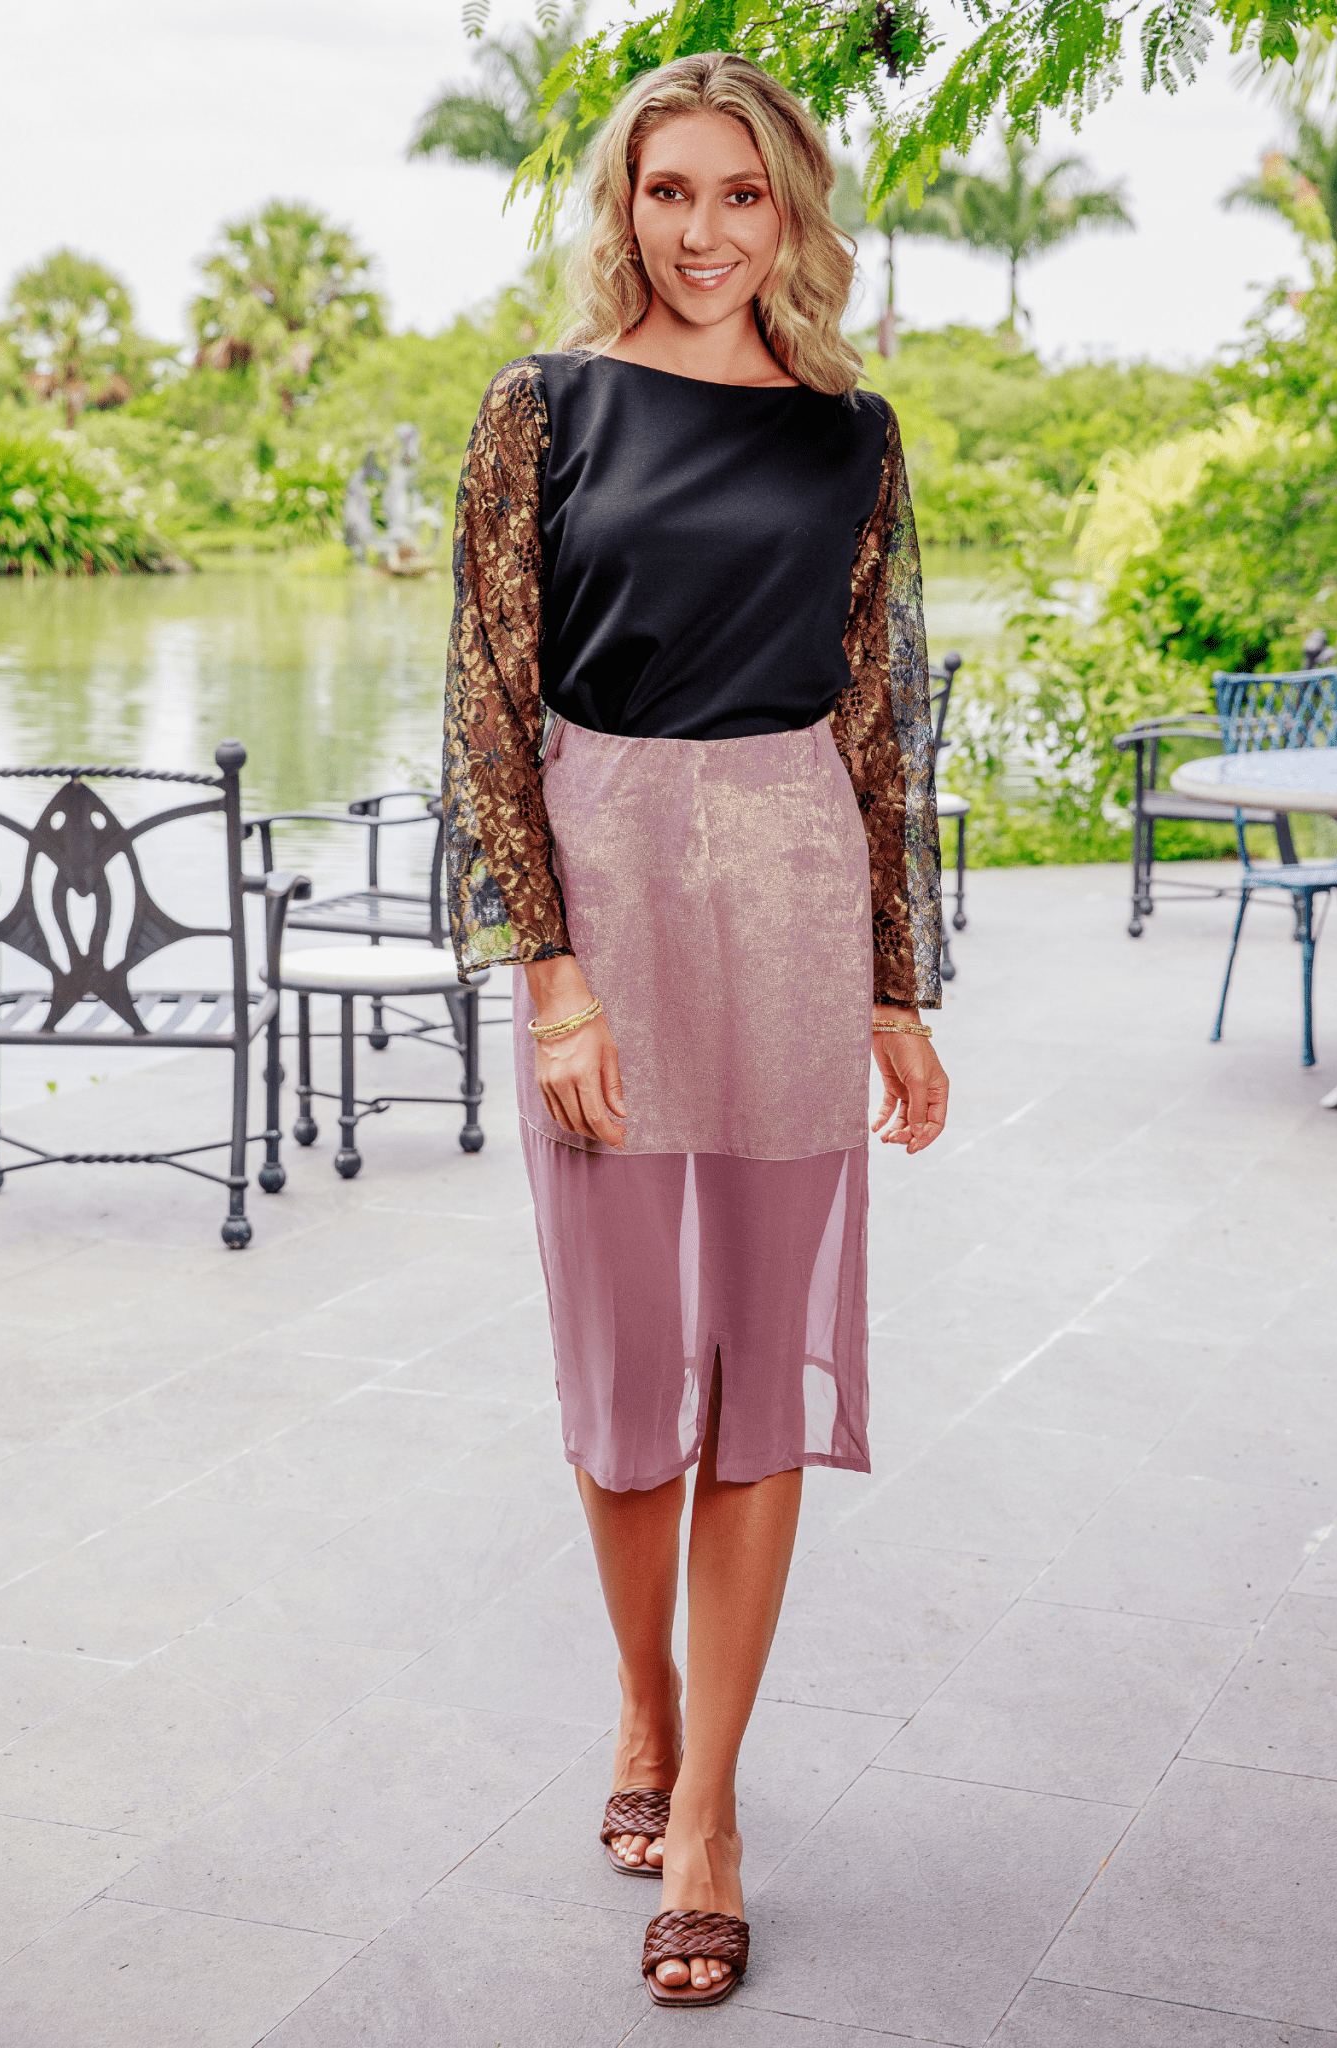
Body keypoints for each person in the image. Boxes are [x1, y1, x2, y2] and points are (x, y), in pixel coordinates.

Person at [442, 49, 948, 2011]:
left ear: (792, 210)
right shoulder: (541, 410)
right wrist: (549, 969)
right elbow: (490, 705)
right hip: (612, 886)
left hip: (798, 893)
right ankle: (641, 1702)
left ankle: (712, 1803)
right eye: (673, 194)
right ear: (622, 207)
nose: (710, 231)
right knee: (630, 1360)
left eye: (745, 195)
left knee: (761, 1367)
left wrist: (899, 980)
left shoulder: (855, 436)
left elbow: (877, 720)